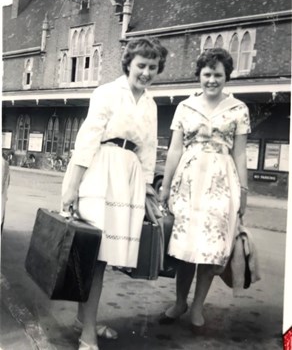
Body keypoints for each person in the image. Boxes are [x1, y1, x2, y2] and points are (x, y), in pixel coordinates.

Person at [61, 37, 168, 350]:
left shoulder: (150, 104)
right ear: (129, 64)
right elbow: (88, 137)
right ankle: (87, 333)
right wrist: (72, 185)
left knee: (104, 258)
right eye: (141, 65)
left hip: (129, 176)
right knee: (95, 255)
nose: (146, 72)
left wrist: (148, 190)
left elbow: (148, 149)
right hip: (99, 169)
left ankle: (86, 320)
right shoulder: (107, 92)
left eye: (152, 67)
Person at [159, 48, 250, 331]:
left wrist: (244, 191)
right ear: (199, 75)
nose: (212, 80)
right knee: (185, 248)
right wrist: (165, 185)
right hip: (187, 182)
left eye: (218, 75)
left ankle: (198, 306)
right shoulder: (185, 107)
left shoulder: (238, 109)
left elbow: (241, 154)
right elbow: (174, 150)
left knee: (210, 249)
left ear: (227, 77)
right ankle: (180, 302)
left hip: (222, 183)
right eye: (207, 74)